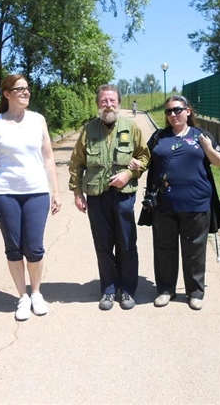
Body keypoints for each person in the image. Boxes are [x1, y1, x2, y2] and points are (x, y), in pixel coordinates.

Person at [0, 74, 62, 321]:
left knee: (34, 247)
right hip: (4, 193)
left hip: (36, 191)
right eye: (20, 89)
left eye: (27, 88)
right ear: (7, 94)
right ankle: (22, 297)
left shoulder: (38, 120)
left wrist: (56, 191)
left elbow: (48, 157)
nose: (26, 93)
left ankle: (36, 293)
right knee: (14, 248)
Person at [68, 85, 150, 311]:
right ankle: (109, 289)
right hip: (96, 196)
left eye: (112, 100)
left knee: (126, 243)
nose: (108, 105)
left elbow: (144, 156)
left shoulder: (131, 127)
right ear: (98, 104)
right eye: (104, 101)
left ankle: (127, 290)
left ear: (119, 103)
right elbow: (76, 164)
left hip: (124, 196)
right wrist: (77, 193)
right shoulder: (88, 130)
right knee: (103, 244)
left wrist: (130, 173)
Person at [141, 95, 220, 311]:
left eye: (177, 110)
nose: (173, 115)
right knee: (164, 249)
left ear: (188, 111)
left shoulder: (201, 135)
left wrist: (207, 148)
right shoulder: (159, 137)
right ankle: (165, 290)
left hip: (196, 204)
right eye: (168, 111)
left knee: (194, 250)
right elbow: (145, 160)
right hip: (164, 204)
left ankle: (195, 292)